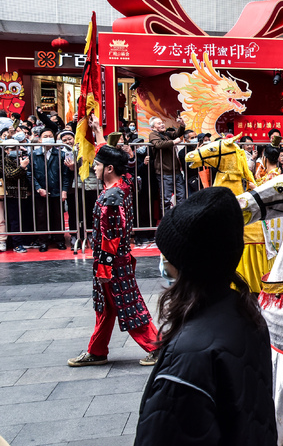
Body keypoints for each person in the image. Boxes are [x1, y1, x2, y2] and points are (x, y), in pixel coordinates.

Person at [130, 187, 281, 446]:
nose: (162, 260)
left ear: (187, 263)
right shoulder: (246, 315)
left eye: (167, 253)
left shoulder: (189, 357)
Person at [68, 136, 159, 368]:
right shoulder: (124, 185)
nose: (94, 168)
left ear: (109, 168)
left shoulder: (111, 197)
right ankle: (97, 350)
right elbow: (122, 166)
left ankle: (157, 347)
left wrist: (104, 267)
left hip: (112, 262)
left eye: (97, 165)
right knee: (106, 308)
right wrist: (100, 136)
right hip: (116, 260)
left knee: (129, 305)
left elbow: (111, 237)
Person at [31, 128, 73, 251]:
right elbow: (30, 174)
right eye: (45, 136)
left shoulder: (60, 154)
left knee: (58, 216)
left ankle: (59, 240)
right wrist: (38, 188)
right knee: (41, 216)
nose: (48, 138)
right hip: (40, 191)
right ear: (40, 139)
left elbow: (65, 174)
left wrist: (64, 190)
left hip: (56, 190)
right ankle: (43, 241)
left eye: (50, 136)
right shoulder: (34, 154)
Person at [148, 116, 186, 214]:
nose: (162, 125)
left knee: (181, 195)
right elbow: (158, 144)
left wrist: (182, 125)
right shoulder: (153, 134)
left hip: (176, 170)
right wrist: (173, 142)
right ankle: (167, 219)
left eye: (162, 123)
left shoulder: (166, 134)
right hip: (164, 171)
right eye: (159, 123)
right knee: (166, 199)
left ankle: (179, 216)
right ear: (153, 127)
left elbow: (177, 134)